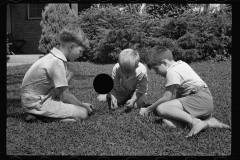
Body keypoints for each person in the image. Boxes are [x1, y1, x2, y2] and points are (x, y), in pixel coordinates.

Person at [140, 45, 230, 138]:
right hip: (205, 103)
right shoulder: (181, 64)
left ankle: (196, 122)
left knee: (161, 108)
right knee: (167, 123)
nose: (156, 73)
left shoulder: (172, 72)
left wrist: (148, 109)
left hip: (199, 99)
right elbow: (181, 96)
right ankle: (209, 122)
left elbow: (166, 98)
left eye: (156, 69)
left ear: (164, 63)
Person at [21, 26, 93, 122]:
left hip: (34, 98)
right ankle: (41, 116)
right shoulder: (57, 62)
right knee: (83, 113)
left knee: (70, 73)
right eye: (80, 51)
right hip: (36, 102)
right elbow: (65, 96)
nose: (81, 55)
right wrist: (83, 106)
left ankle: (48, 111)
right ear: (71, 47)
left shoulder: (54, 57)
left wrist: (79, 104)